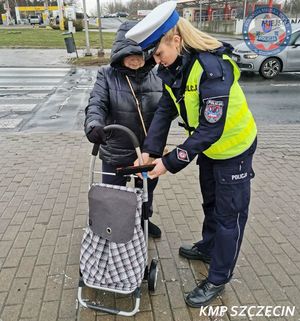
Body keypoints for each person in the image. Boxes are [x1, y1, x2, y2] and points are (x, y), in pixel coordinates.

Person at [126, 1, 257, 307]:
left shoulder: (212, 68)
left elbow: (211, 129)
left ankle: (218, 277)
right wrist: (149, 152)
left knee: (229, 216)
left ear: (177, 40)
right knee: (210, 201)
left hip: (234, 149)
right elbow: (166, 109)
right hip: (211, 150)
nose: (157, 62)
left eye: (159, 53)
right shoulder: (174, 67)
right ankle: (209, 248)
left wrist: (168, 164)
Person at [84, 21, 163, 238]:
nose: (137, 59)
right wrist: (94, 125)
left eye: (141, 54)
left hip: (147, 152)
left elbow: (168, 110)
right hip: (115, 150)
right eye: (130, 54)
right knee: (112, 196)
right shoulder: (106, 75)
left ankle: (144, 222)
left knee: (146, 193)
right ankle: (111, 229)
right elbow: (96, 104)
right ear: (119, 53)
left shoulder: (158, 76)